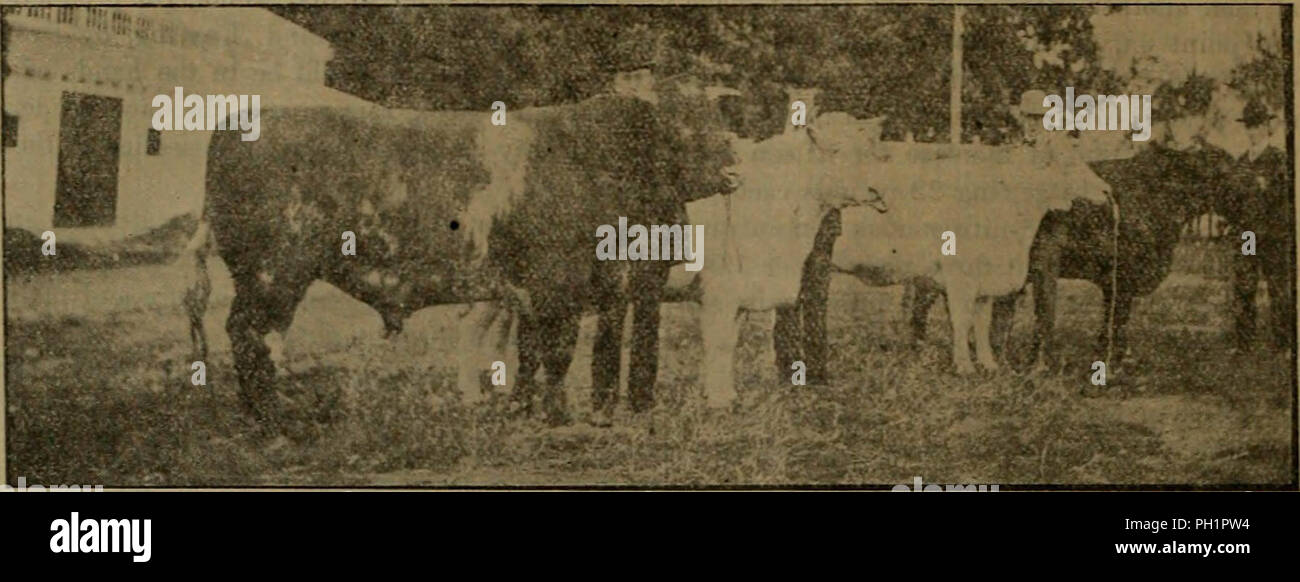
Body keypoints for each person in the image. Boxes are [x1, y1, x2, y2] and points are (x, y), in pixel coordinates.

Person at [1223, 98, 1294, 353]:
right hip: (1248, 235)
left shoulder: (1279, 159)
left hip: (1273, 234)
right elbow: (1232, 198)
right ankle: (1244, 345)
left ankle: (1284, 345)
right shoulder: (1241, 161)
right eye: (1249, 126)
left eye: (1257, 125)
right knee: (1244, 286)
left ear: (1267, 127)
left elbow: (1285, 198)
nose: (1252, 131)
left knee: (1278, 289)